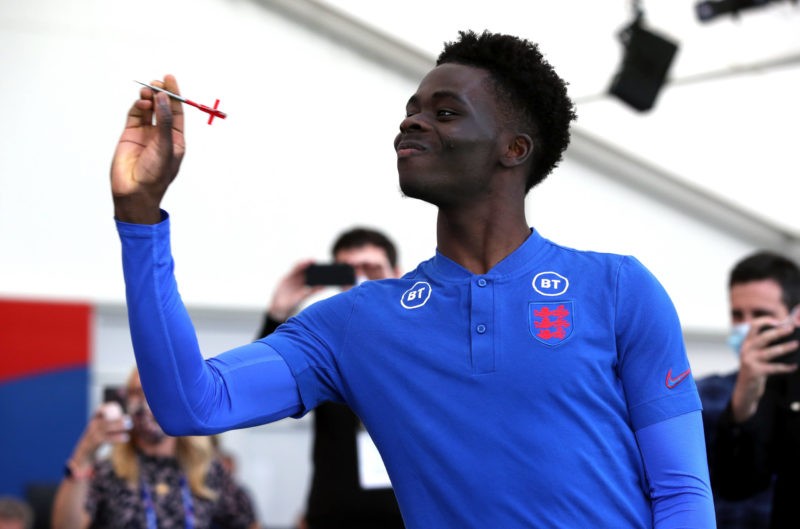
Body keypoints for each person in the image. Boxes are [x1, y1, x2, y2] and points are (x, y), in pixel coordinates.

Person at [109, 30, 715, 527]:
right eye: (411, 111)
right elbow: (191, 403)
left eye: (445, 113)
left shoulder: (617, 289)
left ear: (515, 148)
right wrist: (140, 217)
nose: (412, 124)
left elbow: (683, 494)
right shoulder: (354, 321)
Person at [256, 228, 404, 529]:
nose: (361, 282)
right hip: (331, 515)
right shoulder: (322, 343)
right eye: (348, 272)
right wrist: (278, 311)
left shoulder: (422, 341)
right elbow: (262, 390)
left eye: (372, 270)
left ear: (398, 275)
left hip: (407, 517)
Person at [51, 369, 259, 529]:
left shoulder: (207, 470)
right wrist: (85, 452)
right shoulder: (107, 471)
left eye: (155, 392)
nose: (146, 403)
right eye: (136, 393)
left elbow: (249, 521)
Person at [709, 252, 800, 528]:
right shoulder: (719, 392)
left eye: (761, 316)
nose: (746, 327)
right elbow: (737, 484)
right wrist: (746, 392)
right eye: (737, 315)